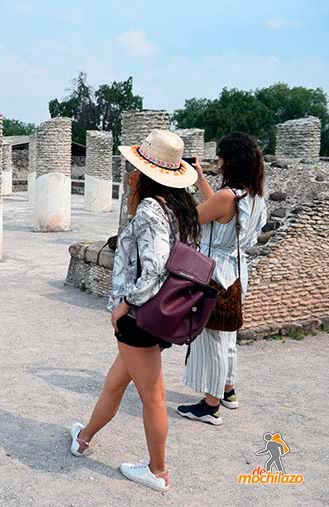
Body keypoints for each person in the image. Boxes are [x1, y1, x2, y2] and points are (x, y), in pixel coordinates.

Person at [71, 130, 199, 492]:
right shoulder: (179, 208)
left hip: (139, 315)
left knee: (152, 396)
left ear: (144, 172)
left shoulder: (150, 209)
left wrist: (125, 305)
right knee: (115, 384)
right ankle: (84, 437)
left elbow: (156, 266)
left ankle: (158, 471)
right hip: (160, 313)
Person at [178, 133, 267, 425]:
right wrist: (201, 180)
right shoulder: (252, 197)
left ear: (231, 161)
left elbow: (192, 218)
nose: (218, 162)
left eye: (220, 157)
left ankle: (210, 404)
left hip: (214, 272)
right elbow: (218, 205)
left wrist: (176, 186)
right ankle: (228, 390)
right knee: (227, 335)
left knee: (212, 338)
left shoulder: (228, 197)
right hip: (236, 272)